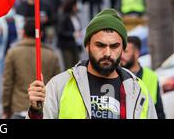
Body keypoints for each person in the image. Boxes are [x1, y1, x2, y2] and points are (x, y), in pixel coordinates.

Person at [27, 9, 157, 119]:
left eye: (114, 46)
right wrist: (35, 111)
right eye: (100, 45)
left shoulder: (138, 90)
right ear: (87, 46)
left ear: (123, 48)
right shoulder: (60, 85)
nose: (107, 53)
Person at [2, 18, 61, 119]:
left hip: (18, 108)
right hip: (44, 110)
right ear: (41, 34)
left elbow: (8, 83)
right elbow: (57, 86)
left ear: (23, 33)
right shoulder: (52, 55)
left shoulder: (13, 53)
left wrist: (6, 108)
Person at [121, 36, 166, 119]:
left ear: (137, 53)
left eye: (126, 52)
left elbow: (159, 111)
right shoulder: (115, 75)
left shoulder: (151, 76)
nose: (121, 55)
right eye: (121, 51)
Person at [56, 0, 83, 69]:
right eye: (75, 6)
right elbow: (60, 31)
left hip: (75, 44)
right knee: (68, 66)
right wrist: (73, 34)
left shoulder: (75, 16)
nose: (76, 7)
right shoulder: (64, 17)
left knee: (77, 65)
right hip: (66, 45)